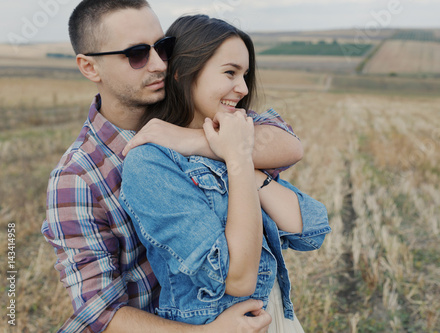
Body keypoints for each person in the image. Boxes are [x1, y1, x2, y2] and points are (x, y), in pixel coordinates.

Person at [41, 1, 304, 332]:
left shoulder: (201, 115)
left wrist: (192, 140)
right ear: (90, 67)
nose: (158, 64)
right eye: (137, 54)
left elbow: (289, 143)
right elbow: (101, 313)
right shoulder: (77, 177)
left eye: (163, 47)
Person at [119, 15, 331, 332]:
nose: (243, 88)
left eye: (245, 74)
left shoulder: (236, 136)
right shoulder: (151, 163)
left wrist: (213, 146)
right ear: (181, 72)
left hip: (278, 317)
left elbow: (311, 229)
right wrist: (238, 158)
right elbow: (239, 277)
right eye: (230, 72)